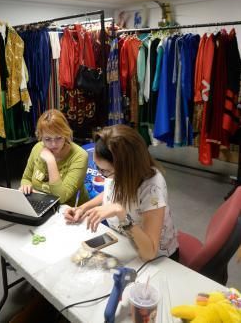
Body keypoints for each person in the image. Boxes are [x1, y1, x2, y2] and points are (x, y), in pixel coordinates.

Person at [64, 124, 179, 261]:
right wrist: (82, 208)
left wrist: (121, 214)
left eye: (105, 171)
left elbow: (149, 253)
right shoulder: (115, 173)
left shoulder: (152, 187)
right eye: (97, 167)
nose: (102, 175)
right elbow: (109, 191)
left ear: (126, 168)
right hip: (124, 242)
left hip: (157, 259)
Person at [19, 109, 89, 206]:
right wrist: (26, 185)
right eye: (47, 139)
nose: (53, 144)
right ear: (40, 137)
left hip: (70, 211)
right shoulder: (37, 148)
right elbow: (26, 178)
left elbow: (61, 198)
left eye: (59, 138)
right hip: (41, 204)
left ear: (66, 134)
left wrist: (51, 161)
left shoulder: (79, 156)